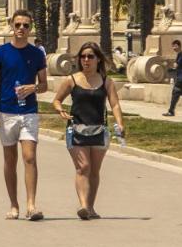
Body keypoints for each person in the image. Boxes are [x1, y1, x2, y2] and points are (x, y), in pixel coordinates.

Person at [51, 42, 126, 220]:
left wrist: (120, 123)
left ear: (98, 59)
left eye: (90, 56)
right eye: (83, 56)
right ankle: (83, 205)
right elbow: (57, 100)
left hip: (99, 129)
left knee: (94, 170)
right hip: (76, 129)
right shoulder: (72, 79)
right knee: (83, 167)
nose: (86, 60)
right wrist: (60, 110)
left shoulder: (106, 81)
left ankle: (91, 207)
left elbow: (114, 104)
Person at [0, 9, 48, 220]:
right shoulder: (0, 52)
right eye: (18, 25)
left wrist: (33, 87)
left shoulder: (37, 54)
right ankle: (14, 205)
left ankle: (31, 205)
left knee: (30, 157)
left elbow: (44, 85)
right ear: (11, 26)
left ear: (30, 29)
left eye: (26, 25)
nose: (22, 29)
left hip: (29, 112)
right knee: (10, 159)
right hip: (6, 111)